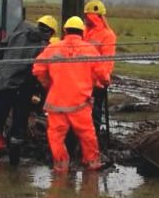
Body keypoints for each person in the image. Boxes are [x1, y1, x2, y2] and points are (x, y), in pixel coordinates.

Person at [0, 14, 58, 167]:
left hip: (3, 83)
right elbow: (39, 72)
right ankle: (14, 164)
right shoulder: (45, 46)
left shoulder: (19, 31)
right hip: (23, 89)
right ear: (51, 32)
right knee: (19, 124)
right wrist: (38, 94)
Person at [33, 16, 110, 173]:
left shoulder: (52, 48)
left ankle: (60, 165)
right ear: (82, 32)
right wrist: (103, 82)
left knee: (55, 136)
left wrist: (48, 84)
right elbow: (102, 74)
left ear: (65, 31)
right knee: (87, 135)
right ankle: (92, 162)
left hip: (56, 103)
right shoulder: (90, 50)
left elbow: (38, 69)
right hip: (79, 103)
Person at [82, 0, 117, 139]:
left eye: (87, 16)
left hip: (96, 81)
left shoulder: (107, 35)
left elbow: (106, 60)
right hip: (82, 79)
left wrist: (103, 79)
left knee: (95, 111)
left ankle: (93, 137)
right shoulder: (85, 32)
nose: (85, 19)